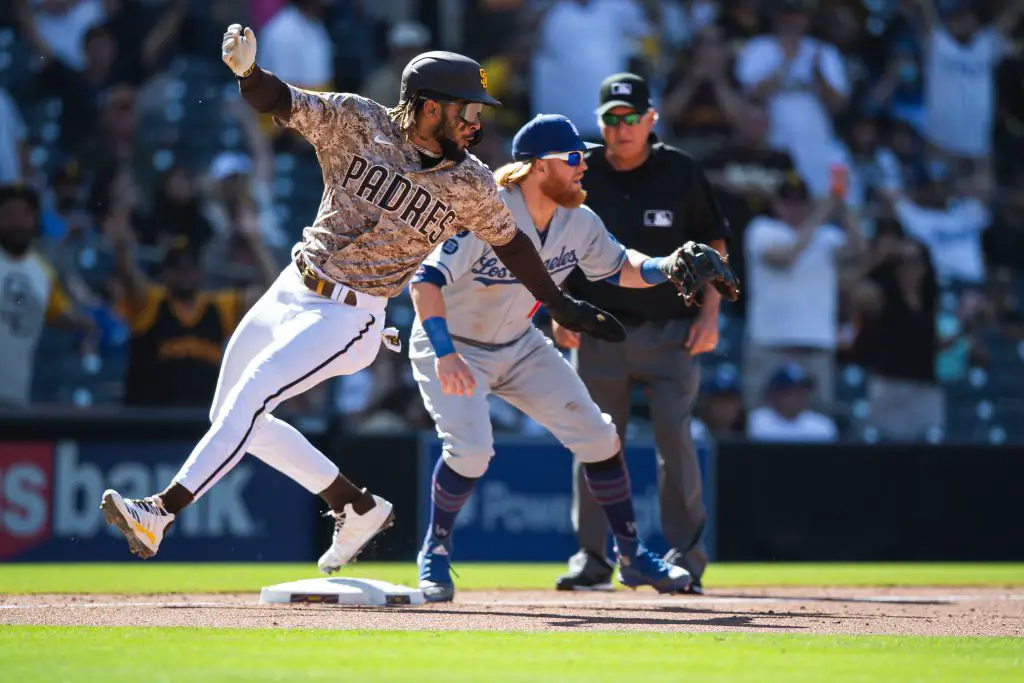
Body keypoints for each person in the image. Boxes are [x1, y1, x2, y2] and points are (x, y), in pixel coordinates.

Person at [98, 24, 624, 572]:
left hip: (351, 315)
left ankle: (158, 511)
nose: (476, 122)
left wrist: (558, 305)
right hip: (293, 285)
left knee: (250, 401)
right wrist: (248, 75)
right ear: (427, 107)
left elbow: (514, 247)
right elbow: (280, 102)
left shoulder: (472, 182)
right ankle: (356, 505)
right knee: (230, 415)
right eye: (467, 110)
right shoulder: (358, 120)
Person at [408, 114, 702, 602]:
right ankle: (434, 551)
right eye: (573, 158)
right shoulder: (487, 210)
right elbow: (425, 282)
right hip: (454, 344)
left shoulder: (577, 220)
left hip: (520, 344)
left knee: (600, 435)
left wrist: (667, 266)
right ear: (538, 167)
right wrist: (444, 354)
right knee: (473, 451)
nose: (583, 165)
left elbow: (618, 266)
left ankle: (630, 555)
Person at [554, 73, 733, 595]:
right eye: (612, 118)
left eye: (632, 118)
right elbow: (554, 238)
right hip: (597, 330)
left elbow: (715, 243)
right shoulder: (579, 168)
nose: (621, 128)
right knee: (592, 441)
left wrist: (711, 314)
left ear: (651, 120)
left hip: (673, 331)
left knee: (674, 441)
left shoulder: (679, 169)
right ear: (601, 120)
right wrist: (559, 309)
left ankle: (687, 560)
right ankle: (592, 558)